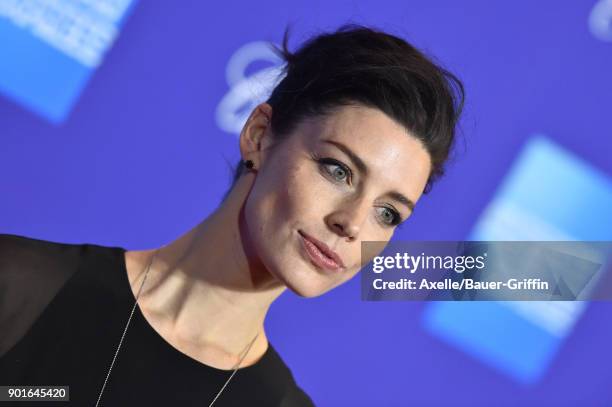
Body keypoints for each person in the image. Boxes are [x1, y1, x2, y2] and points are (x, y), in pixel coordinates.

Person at [0, 23, 464, 406]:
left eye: (388, 212)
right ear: (259, 135)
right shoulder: (20, 285)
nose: (353, 223)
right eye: (338, 170)